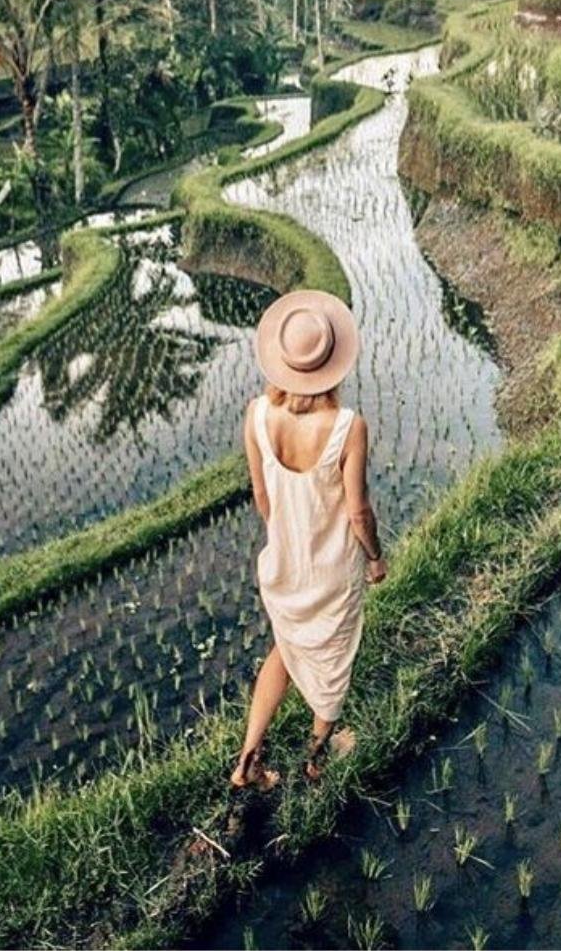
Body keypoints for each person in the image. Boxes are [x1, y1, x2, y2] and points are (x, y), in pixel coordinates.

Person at [230, 289, 386, 790]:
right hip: (331, 571)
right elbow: (358, 511)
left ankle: (247, 763)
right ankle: (317, 759)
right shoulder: (347, 427)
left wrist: (287, 537)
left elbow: (261, 493)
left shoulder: (256, 415)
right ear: (334, 365)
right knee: (332, 663)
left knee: (285, 649)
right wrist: (377, 560)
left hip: (283, 565)